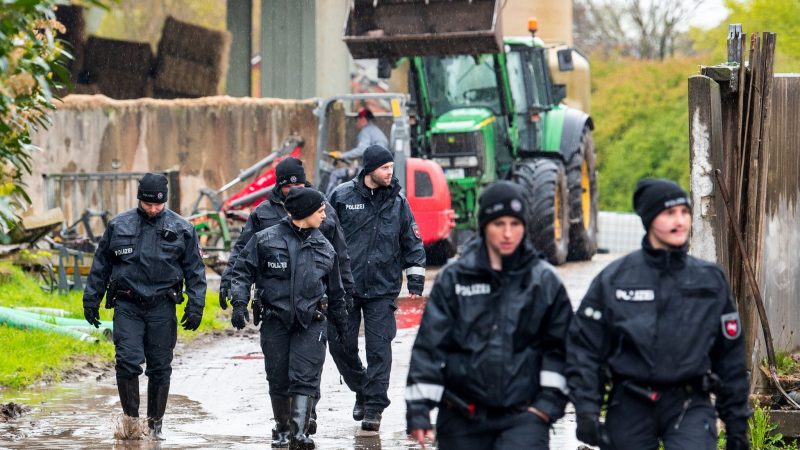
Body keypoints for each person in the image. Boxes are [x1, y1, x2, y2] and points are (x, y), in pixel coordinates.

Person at [566, 178, 751, 450]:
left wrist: (737, 427)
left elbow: (730, 358)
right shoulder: (615, 280)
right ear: (650, 218)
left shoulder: (710, 280)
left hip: (689, 405)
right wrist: (587, 412)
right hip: (630, 405)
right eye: (669, 213)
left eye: (684, 212)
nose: (680, 221)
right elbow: (585, 350)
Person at [405, 181, 573, 450]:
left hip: (524, 419)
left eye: (515, 224)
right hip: (461, 419)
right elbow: (430, 347)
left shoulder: (544, 281)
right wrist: (419, 410)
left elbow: (562, 349)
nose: (508, 234)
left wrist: (545, 408)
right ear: (484, 225)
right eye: (498, 224)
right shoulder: (454, 279)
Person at [218, 157, 361, 439]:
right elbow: (242, 263)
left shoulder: (324, 240)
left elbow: (339, 272)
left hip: (312, 317)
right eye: (288, 183)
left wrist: (344, 316)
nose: (292, 187)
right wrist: (237, 299)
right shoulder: (265, 232)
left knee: (306, 376)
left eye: (298, 182)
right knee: (279, 376)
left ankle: (300, 431)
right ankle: (284, 428)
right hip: (275, 314)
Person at [82, 172, 206, 440]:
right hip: (128, 304)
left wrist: (196, 305)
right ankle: (131, 423)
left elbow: (195, 272)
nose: (152, 209)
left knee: (160, 367)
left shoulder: (183, 229)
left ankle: (155, 425)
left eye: (157, 205)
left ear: (165, 201)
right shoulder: (119, 226)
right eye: (147, 204)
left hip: (162, 306)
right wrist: (91, 298)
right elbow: (101, 266)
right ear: (139, 200)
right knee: (127, 362)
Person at [328, 144, 426, 432]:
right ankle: (362, 388)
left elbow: (412, 240)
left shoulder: (398, 201)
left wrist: (416, 278)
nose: (390, 173)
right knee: (341, 345)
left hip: (382, 289)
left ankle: (374, 409)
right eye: (385, 168)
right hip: (346, 287)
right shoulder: (342, 197)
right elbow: (323, 236)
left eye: (391, 168)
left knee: (379, 350)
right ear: (370, 169)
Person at [326, 108, 388, 195]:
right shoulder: (375, 131)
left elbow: (361, 150)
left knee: (335, 174)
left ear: (362, 119)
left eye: (357, 119)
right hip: (377, 167)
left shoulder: (366, 131)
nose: (356, 122)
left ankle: (328, 201)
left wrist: (342, 155)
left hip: (371, 170)